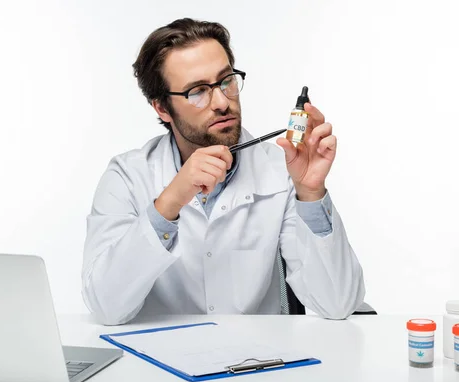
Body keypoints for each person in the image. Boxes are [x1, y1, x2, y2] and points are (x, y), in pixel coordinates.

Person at [81, 18, 366, 325]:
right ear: (162, 108)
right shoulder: (127, 176)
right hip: (159, 364)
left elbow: (338, 304)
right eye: (197, 91)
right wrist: (170, 203)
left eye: (226, 81)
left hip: (257, 364)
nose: (221, 102)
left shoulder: (281, 170)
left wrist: (310, 192)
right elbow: (106, 307)